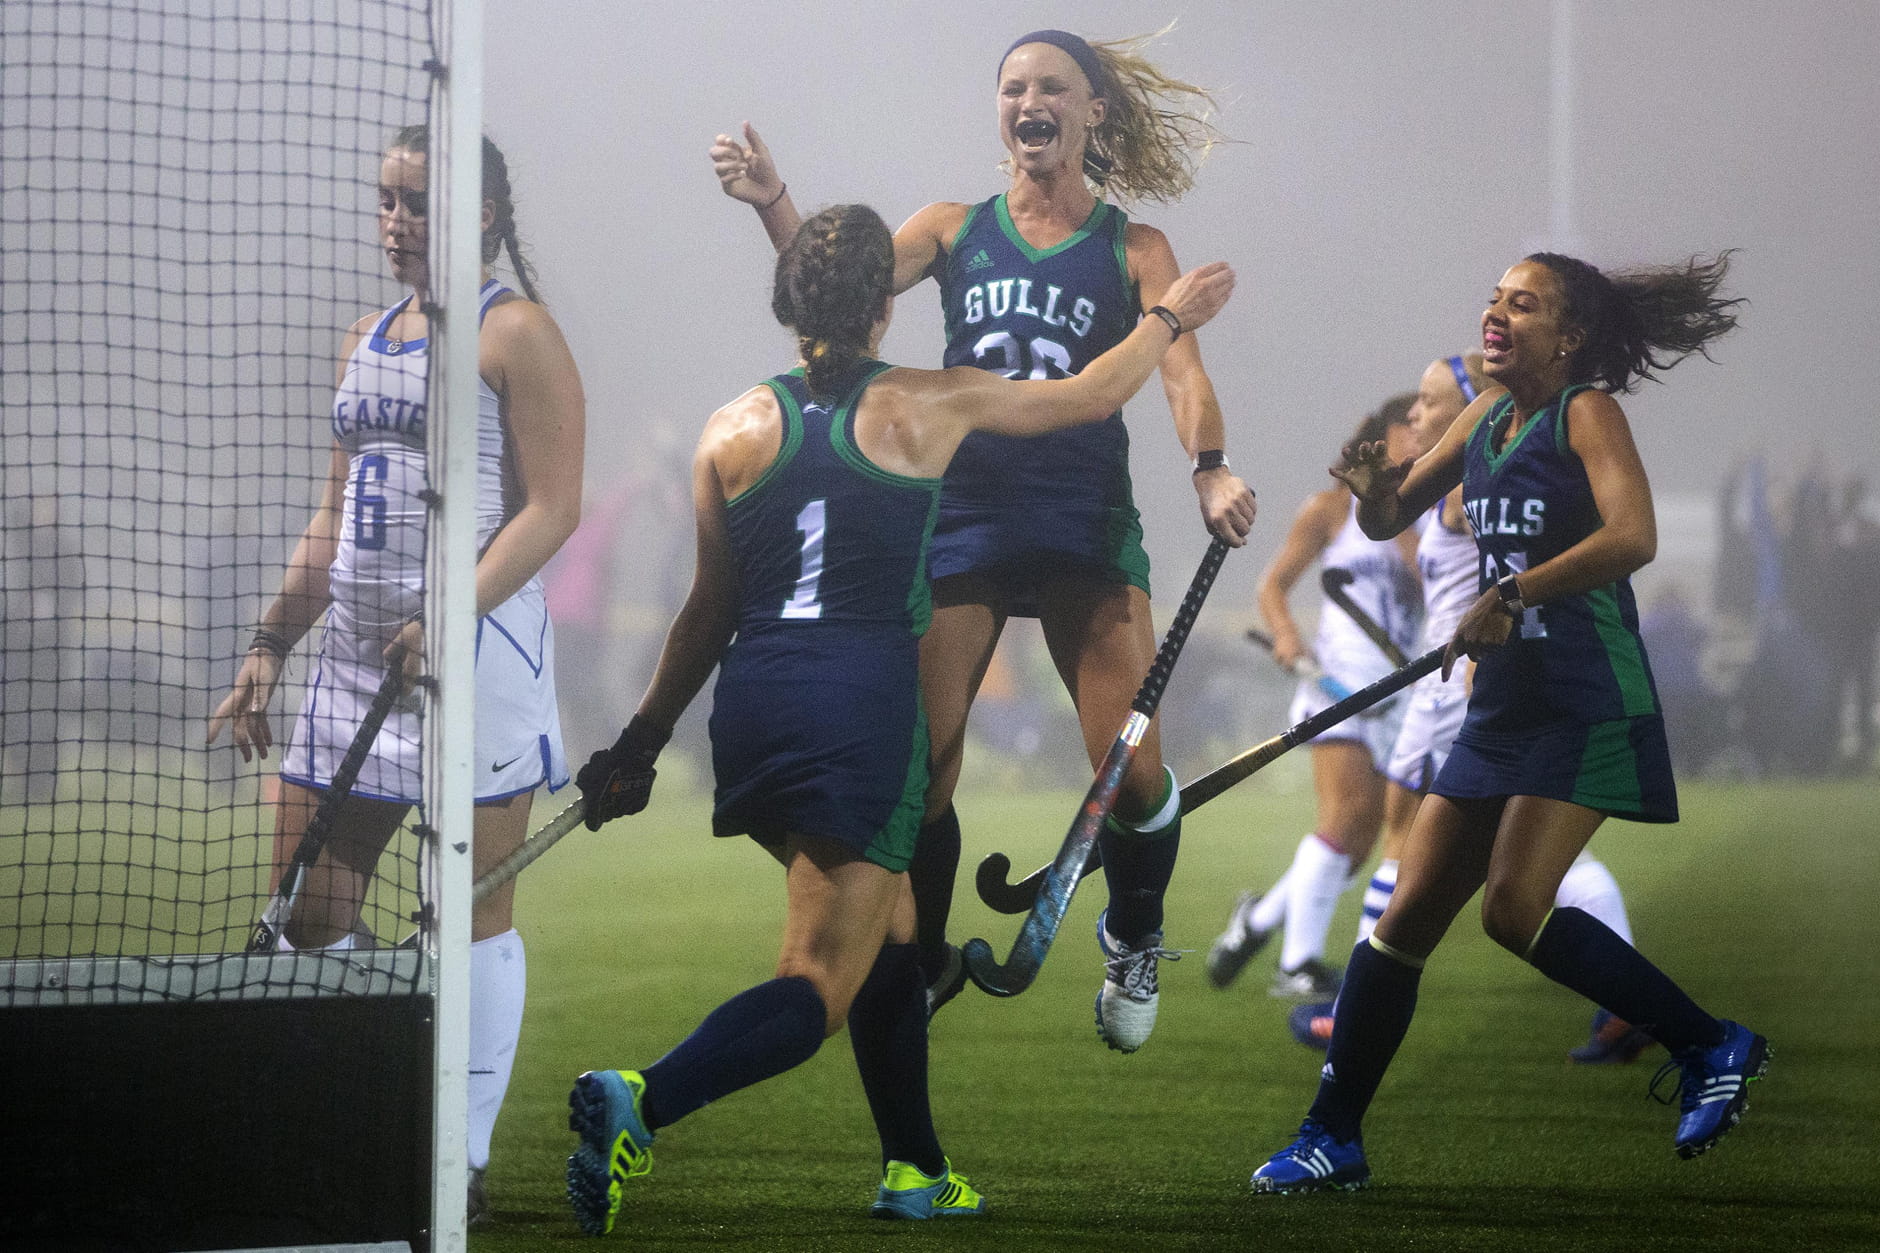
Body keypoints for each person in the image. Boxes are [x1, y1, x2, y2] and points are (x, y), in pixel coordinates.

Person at [564, 205, 1235, 1233]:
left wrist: (638, 741)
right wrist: (1168, 318)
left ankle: (915, 1168)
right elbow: (1089, 393)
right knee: (817, 982)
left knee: (899, 934)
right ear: (888, 304)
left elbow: (706, 610)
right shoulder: (931, 402)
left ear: (787, 302)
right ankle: (642, 1098)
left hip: (747, 712)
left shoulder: (728, 427)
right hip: (857, 717)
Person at [710, 28, 1258, 1050]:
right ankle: (922, 961)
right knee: (919, 766)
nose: (1027, 101)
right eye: (1011, 88)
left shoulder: (1132, 249)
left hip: (1080, 525)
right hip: (960, 519)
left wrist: (1208, 464)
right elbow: (831, 284)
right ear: (997, 110)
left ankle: (1133, 930)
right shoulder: (953, 227)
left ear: (1093, 111)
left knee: (1130, 771)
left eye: (1050, 86)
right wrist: (773, 204)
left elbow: (1179, 373)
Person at [1249, 251, 1766, 1195]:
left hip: (1585, 693)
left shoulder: (1586, 412)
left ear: (1567, 336)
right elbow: (1389, 514)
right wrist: (1371, 487)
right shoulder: (1489, 413)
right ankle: (1332, 1136)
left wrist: (1514, 587)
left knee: (1511, 908)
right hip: (1503, 701)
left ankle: (1710, 1042)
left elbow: (1634, 536)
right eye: (1493, 298)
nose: (1495, 314)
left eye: (1522, 305)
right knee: (1402, 919)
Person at [206, 126, 585, 1226]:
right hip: (352, 669)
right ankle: (379, 1089)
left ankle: (452, 1159)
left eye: (415, 201)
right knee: (308, 915)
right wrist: (271, 641)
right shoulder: (363, 338)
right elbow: (333, 518)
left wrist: (455, 601)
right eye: (386, 199)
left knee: (469, 922)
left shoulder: (517, 333)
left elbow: (554, 505)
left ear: (475, 210)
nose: (394, 220)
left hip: (473, 665)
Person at [1273, 354, 1652, 1065]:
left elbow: (1530, 560)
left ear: (1470, 405)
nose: (1414, 414)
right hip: (1461, 681)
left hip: (1462, 686)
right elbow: (1392, 524)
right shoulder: (1465, 472)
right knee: (1520, 853)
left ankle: (1349, 1009)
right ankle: (1627, 1007)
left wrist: (1493, 645)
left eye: (1428, 400)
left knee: (1415, 838)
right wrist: (1377, 499)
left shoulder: (1486, 475)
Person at [1205, 398, 1422, 1001]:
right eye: (1417, 423)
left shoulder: (1434, 513)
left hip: (1401, 694)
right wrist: (1287, 636)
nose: (1427, 434)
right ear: (1386, 433)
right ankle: (1297, 965)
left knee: (1355, 847)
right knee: (1346, 817)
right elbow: (1272, 584)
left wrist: (1409, 521)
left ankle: (1257, 921)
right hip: (1338, 685)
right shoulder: (1329, 510)